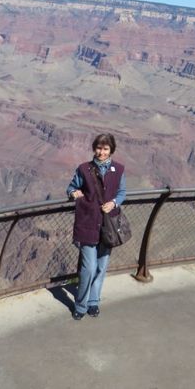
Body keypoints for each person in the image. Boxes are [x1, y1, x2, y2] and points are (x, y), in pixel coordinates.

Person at [67, 133, 126, 320]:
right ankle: (81, 305)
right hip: (88, 223)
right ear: (94, 148)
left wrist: (115, 203)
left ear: (111, 150)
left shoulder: (119, 169)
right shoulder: (84, 169)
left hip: (108, 225)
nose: (102, 152)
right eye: (99, 148)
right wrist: (73, 193)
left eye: (106, 148)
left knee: (102, 267)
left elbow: (122, 192)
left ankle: (94, 302)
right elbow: (71, 187)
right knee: (89, 268)